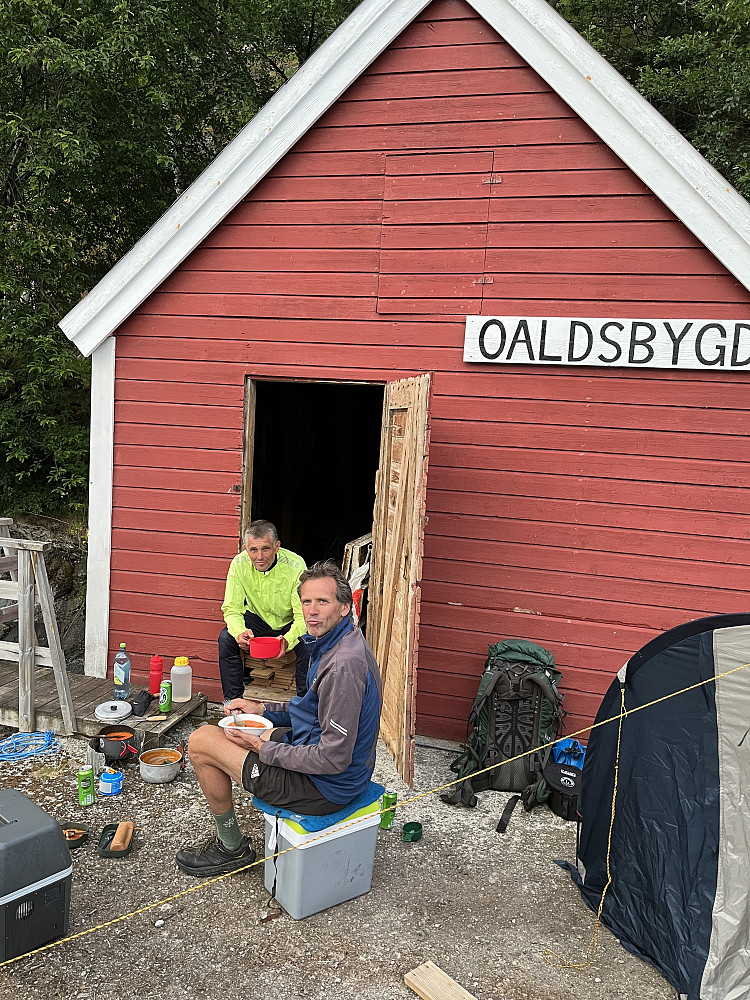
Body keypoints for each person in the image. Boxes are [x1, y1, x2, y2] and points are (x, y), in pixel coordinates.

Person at [176, 559, 383, 877]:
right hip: (328, 766)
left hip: (325, 787)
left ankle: (232, 849)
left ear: (344, 607)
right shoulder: (339, 643)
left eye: (322, 601)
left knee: (201, 741)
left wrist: (261, 748)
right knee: (241, 730)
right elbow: (314, 711)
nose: (312, 610)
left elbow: (332, 759)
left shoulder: (343, 666)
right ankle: (258, 742)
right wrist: (262, 710)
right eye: (306, 602)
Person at [219, 519, 309, 699]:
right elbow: (232, 608)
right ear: (245, 548)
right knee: (225, 639)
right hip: (257, 619)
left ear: (277, 546)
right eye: (253, 550)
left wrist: (288, 640)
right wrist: (239, 632)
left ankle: (304, 705)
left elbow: (303, 617)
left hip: (289, 621)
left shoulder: (296, 565)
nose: (259, 556)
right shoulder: (238, 564)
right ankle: (233, 702)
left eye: (265, 549)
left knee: (309, 643)